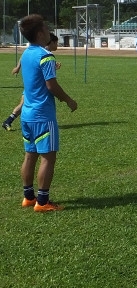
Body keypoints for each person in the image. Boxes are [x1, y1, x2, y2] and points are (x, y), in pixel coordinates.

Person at [18, 15, 77, 211]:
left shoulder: (26, 54)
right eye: (45, 27)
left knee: (30, 156)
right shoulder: (46, 56)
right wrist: (69, 100)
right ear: (40, 33)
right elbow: (51, 86)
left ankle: (28, 197)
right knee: (48, 158)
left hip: (27, 114)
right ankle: (43, 202)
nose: (48, 30)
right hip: (43, 115)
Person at [3, 34, 61, 131]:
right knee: (24, 105)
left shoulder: (44, 53)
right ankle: (9, 121)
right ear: (53, 42)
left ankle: (8, 121)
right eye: (57, 43)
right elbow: (25, 56)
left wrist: (53, 67)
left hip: (35, 85)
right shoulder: (43, 52)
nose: (57, 46)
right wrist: (18, 67)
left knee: (23, 105)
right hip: (35, 87)